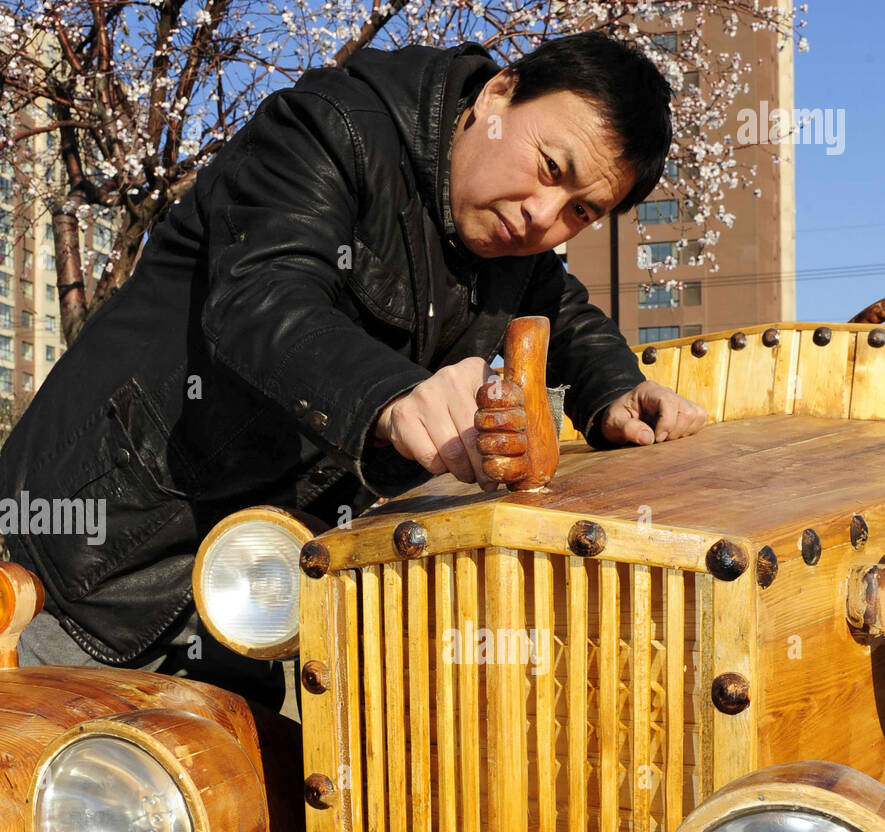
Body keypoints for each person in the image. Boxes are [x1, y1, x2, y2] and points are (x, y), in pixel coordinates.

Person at [0, 31, 705, 693]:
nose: (543, 214)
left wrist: (617, 388)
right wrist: (394, 398)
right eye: (551, 167)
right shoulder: (329, 126)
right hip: (81, 563)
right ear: (497, 95)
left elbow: (563, 310)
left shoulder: (509, 249)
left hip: (247, 603)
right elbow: (262, 297)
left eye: (581, 212)